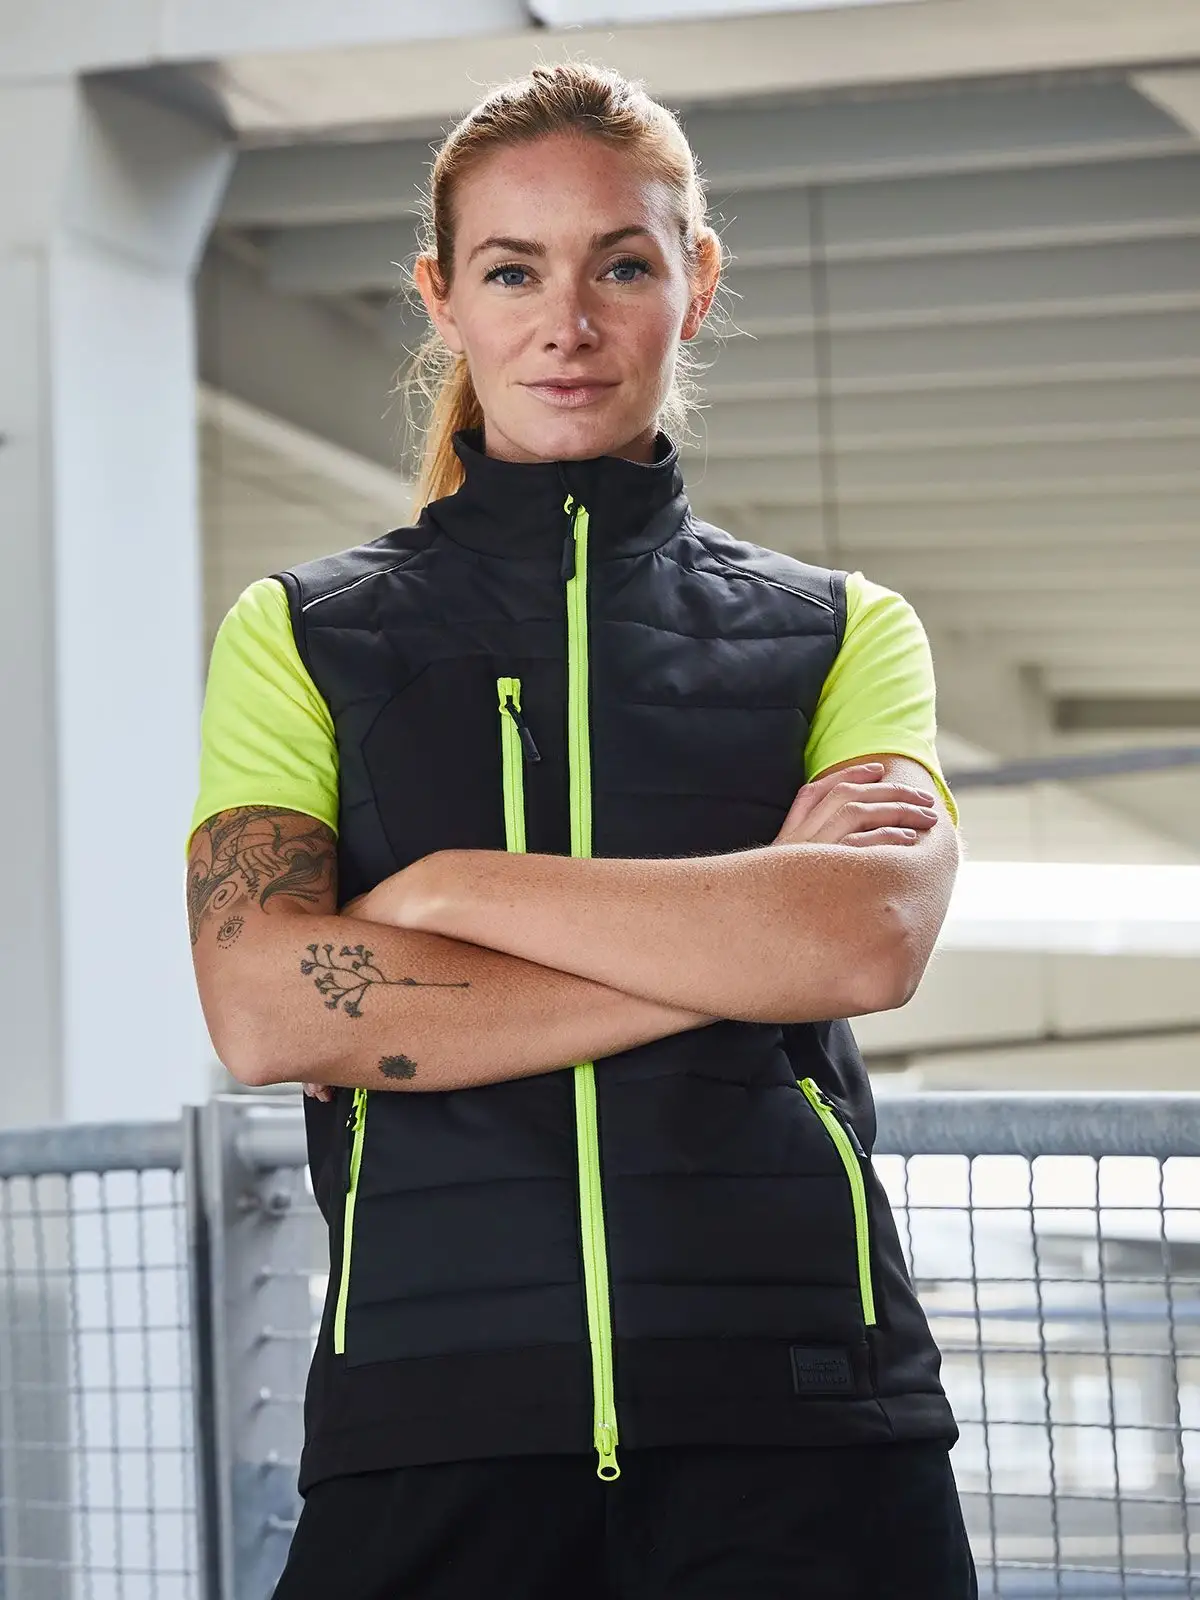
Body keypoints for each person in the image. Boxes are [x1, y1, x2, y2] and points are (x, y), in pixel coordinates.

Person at [186, 59, 976, 1600]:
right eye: (512, 271)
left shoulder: (842, 631)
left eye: (622, 265)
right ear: (441, 297)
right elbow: (268, 1007)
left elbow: (868, 939)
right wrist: (744, 958)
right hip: (431, 1426)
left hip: (807, 1420)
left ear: (696, 283)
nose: (567, 321)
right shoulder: (302, 635)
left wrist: (453, 892)